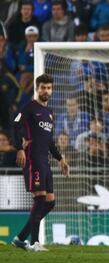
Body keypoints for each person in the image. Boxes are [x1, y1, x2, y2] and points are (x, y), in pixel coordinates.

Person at [12, 74, 69, 251]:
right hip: (32, 160)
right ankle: (34, 242)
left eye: (48, 88)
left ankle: (20, 238)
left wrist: (61, 159)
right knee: (40, 198)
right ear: (37, 88)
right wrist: (19, 148)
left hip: (45, 162)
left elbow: (49, 140)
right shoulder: (30, 107)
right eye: (43, 87)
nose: (46, 90)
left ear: (52, 90)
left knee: (50, 202)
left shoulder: (49, 113)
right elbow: (14, 125)